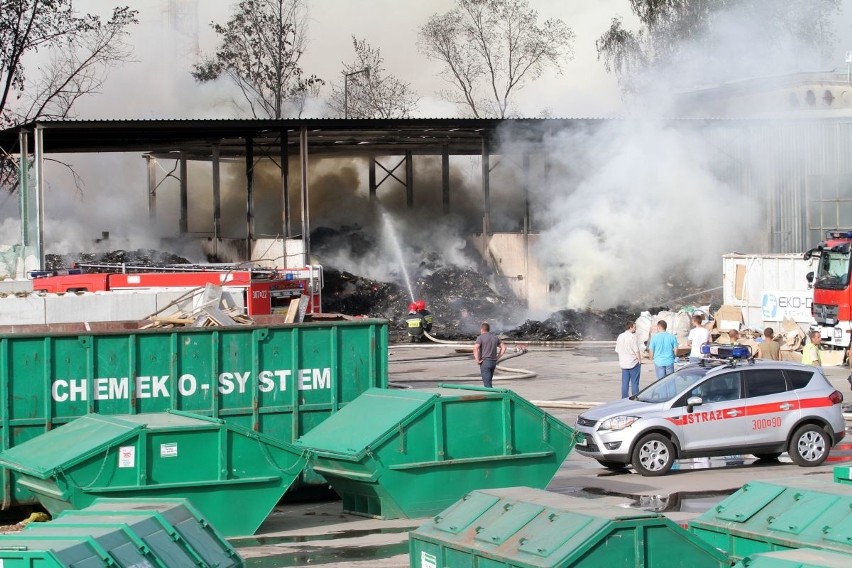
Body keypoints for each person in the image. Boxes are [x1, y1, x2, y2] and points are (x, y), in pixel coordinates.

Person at [473, 322, 506, 388]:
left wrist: (477, 360)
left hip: (485, 362)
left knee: (487, 384)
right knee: (489, 381)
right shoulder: (495, 337)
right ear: (488, 329)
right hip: (493, 362)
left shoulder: (480, 337)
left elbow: (475, 349)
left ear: (482, 329)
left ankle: (492, 396)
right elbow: (504, 348)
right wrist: (498, 357)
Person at [615, 321, 642, 398]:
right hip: (633, 362)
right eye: (634, 327)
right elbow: (636, 351)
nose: (635, 329)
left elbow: (617, 350)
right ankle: (635, 397)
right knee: (634, 382)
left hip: (623, 363)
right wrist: (639, 360)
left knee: (624, 383)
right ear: (630, 327)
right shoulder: (633, 337)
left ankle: (624, 398)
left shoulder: (620, 336)